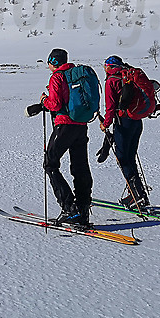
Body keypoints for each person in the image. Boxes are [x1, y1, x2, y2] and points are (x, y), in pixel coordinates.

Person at [40, 48, 93, 226]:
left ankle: (69, 208)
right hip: (81, 125)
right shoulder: (75, 74)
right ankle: (83, 211)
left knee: (50, 163)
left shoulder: (57, 77)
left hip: (65, 125)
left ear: (53, 62)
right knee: (80, 167)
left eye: (49, 62)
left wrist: (44, 101)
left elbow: (55, 104)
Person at [99, 55, 150, 209]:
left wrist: (105, 124)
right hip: (136, 121)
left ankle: (137, 196)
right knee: (130, 157)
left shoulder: (112, 81)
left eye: (105, 65)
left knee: (123, 158)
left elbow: (110, 107)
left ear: (109, 66)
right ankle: (138, 194)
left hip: (123, 122)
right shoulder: (129, 75)